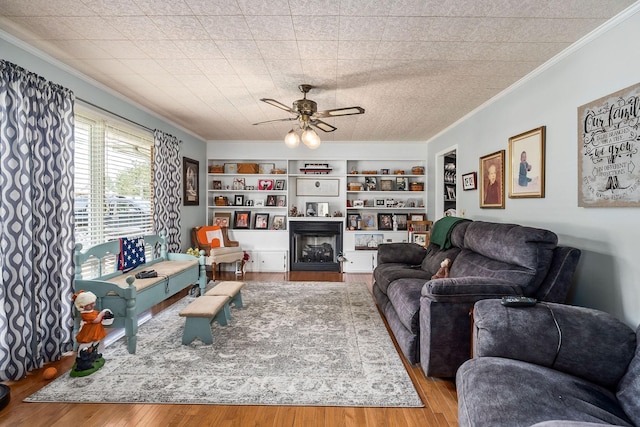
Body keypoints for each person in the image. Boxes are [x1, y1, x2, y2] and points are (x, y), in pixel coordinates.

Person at [72, 290, 113, 374]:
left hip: (95, 331)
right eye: (89, 305)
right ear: (82, 306)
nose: (92, 306)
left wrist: (104, 316)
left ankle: (93, 355)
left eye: (93, 303)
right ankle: (82, 361)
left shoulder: (91, 311)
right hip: (89, 332)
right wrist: (101, 314)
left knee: (95, 343)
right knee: (86, 345)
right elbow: (96, 320)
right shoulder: (85, 314)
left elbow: (97, 315)